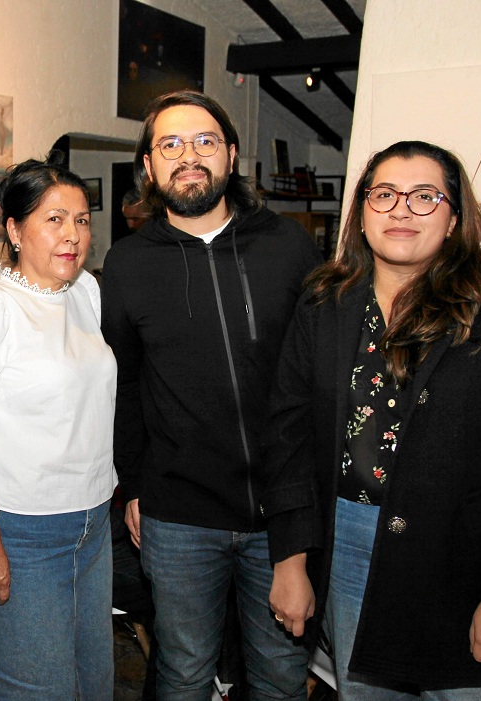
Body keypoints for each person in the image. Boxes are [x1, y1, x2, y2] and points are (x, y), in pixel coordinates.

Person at [264, 140, 481, 700]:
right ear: (361, 214)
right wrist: (290, 561)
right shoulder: (324, 304)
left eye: (425, 196)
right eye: (384, 194)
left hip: (470, 559)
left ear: (455, 219)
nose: (401, 209)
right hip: (352, 546)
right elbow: (288, 439)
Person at [101, 89, 322, 701]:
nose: (187, 156)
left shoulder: (289, 247)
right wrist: (135, 484)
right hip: (177, 518)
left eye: (203, 142)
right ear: (148, 166)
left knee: (280, 674)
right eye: (169, 144)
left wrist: (302, 506)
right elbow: (122, 385)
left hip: (279, 515)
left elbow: (316, 382)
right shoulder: (124, 266)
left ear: (230, 155)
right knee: (185, 673)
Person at [0, 157, 118, 700]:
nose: (73, 235)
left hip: (92, 525)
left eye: (82, 220)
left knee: (91, 682)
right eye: (54, 219)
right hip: (20, 532)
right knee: (31, 688)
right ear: (14, 230)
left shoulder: (85, 295)